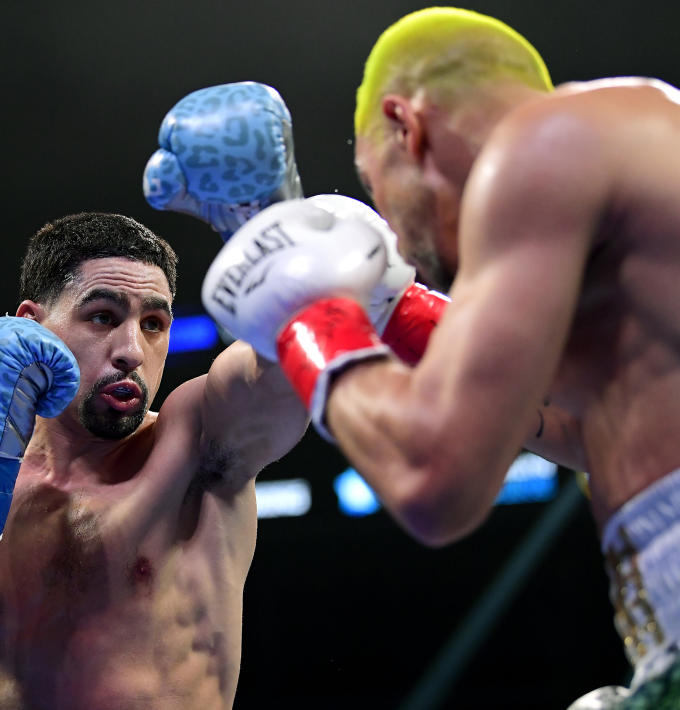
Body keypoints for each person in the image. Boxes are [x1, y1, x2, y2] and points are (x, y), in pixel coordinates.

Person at [196, 7, 680, 707]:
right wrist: (397, 312)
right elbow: (578, 428)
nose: (396, 232)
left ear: (407, 126)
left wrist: (308, 316)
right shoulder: (631, 162)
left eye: (377, 184)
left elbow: (434, 478)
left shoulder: (543, 143)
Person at [0, 211, 309, 709]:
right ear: (30, 327)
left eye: (153, 324)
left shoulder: (191, 444)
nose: (131, 350)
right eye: (103, 316)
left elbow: (275, 379)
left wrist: (267, 223)